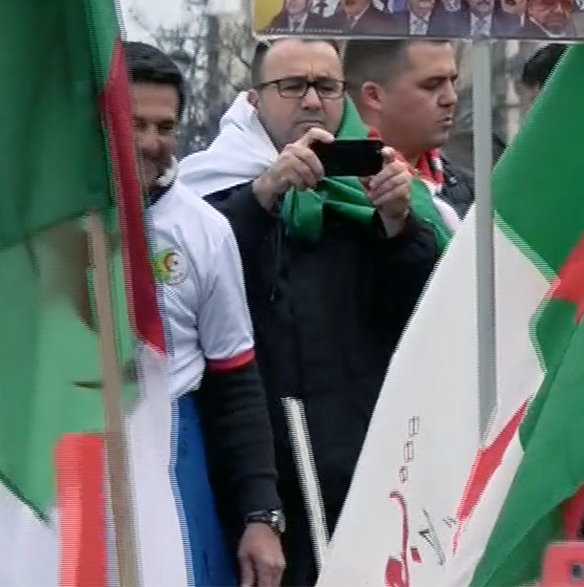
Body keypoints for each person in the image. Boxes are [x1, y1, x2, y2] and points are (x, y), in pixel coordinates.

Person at [178, 38, 440, 586]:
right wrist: (265, 192)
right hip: (259, 468)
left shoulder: (379, 188)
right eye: (292, 86)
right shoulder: (210, 190)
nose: (312, 102)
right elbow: (192, 282)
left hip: (362, 458)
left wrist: (397, 226)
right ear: (254, 102)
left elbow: (417, 323)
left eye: (326, 87)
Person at [125, 42, 285, 587]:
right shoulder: (46, 229)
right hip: (73, 452)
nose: (150, 143)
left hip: (174, 446)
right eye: (133, 125)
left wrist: (261, 515)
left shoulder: (204, 229)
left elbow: (237, 381)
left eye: (164, 126)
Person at [343, 38, 473, 232]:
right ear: (374, 96)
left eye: (452, 81)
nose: (451, 98)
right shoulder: (335, 187)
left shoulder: (464, 185)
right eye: (432, 85)